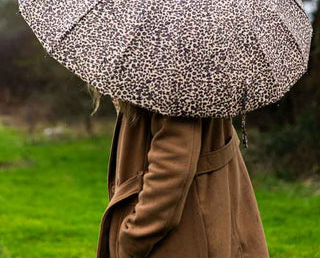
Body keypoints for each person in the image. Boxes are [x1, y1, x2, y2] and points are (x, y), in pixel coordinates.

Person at [95, 97, 269, 258]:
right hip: (211, 214)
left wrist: (132, 238)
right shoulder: (201, 76)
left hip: (186, 232)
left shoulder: (173, 79)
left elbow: (171, 170)